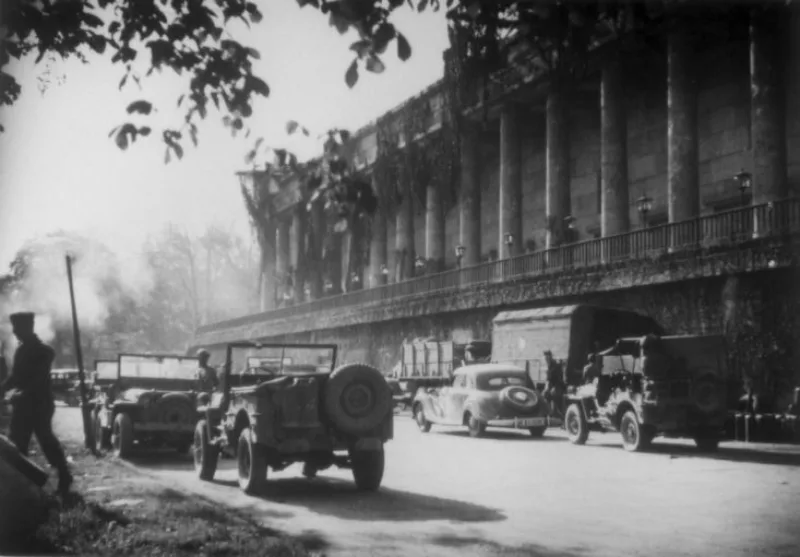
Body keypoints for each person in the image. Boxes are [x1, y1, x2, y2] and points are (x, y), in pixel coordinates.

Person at [2, 312, 73, 493]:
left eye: (18, 328)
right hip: (23, 404)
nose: (15, 332)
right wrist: (2, 388)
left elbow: (38, 380)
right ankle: (22, 483)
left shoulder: (45, 351)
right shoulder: (21, 350)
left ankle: (64, 476)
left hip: (40, 404)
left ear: (28, 328)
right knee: (17, 444)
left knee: (46, 440)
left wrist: (21, 394)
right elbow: (15, 377)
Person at [543, 350, 566, 416]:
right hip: (553, 385)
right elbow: (548, 380)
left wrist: (549, 388)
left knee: (552, 393)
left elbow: (554, 379)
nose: (546, 360)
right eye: (545, 358)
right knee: (545, 393)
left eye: (547, 358)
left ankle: (557, 413)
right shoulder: (550, 365)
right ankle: (551, 412)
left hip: (558, 385)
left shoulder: (555, 365)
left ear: (550, 357)